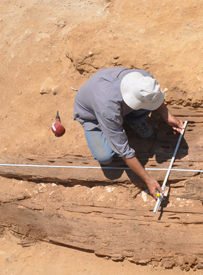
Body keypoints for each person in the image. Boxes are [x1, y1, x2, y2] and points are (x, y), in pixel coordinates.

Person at [73, 67, 184, 199]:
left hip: (110, 101)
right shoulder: (108, 109)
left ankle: (132, 120)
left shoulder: (144, 79)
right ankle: (110, 128)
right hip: (92, 116)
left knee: (146, 105)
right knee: (105, 156)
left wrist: (168, 116)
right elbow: (124, 151)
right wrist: (148, 180)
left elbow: (153, 97)